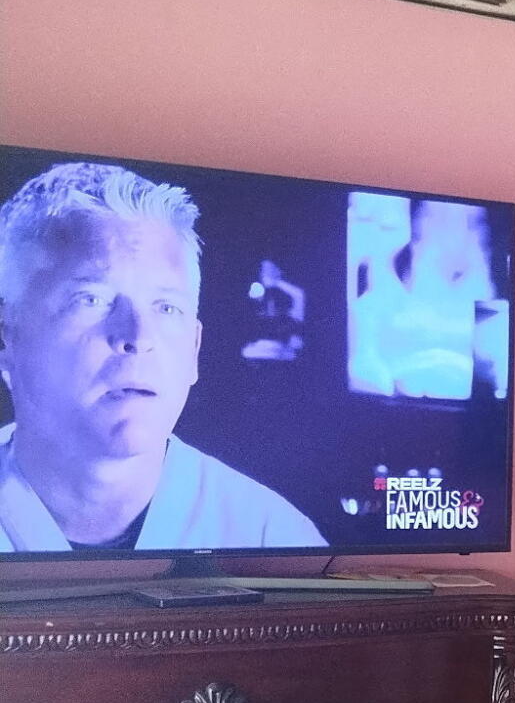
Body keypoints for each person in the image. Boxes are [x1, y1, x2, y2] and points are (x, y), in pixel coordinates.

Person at [0, 161, 325, 552]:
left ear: (194, 349)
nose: (137, 337)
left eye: (166, 307)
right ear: (7, 342)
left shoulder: (274, 538)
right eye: (92, 300)